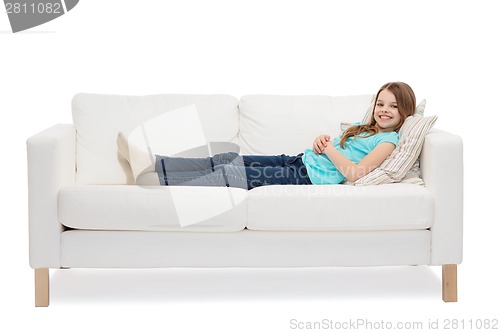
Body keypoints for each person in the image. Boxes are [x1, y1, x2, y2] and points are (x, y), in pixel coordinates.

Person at [155, 82, 416, 190]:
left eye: (393, 106)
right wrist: (322, 141)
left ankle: (164, 180)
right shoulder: (364, 127)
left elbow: (356, 173)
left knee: (230, 174)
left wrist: (329, 151)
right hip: (298, 161)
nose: (384, 110)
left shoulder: (388, 141)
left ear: (405, 111)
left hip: (306, 177)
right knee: (228, 158)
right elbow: (338, 147)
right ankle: (159, 164)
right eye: (381, 103)